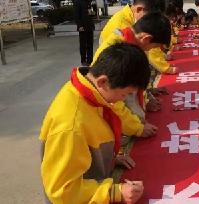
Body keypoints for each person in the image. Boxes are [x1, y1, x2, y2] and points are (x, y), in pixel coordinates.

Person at [40, 43, 149, 203]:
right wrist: (114, 192)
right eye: (125, 94)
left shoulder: (90, 93)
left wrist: (107, 159)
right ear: (103, 82)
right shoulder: (71, 124)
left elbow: (89, 146)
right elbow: (62, 191)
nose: (123, 100)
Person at [73, 0, 95, 65]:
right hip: (82, 27)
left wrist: (93, 12)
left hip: (90, 25)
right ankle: (83, 60)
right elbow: (76, 15)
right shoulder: (78, 1)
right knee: (83, 45)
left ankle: (90, 60)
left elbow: (93, 13)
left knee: (90, 44)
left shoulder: (91, 0)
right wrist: (79, 26)